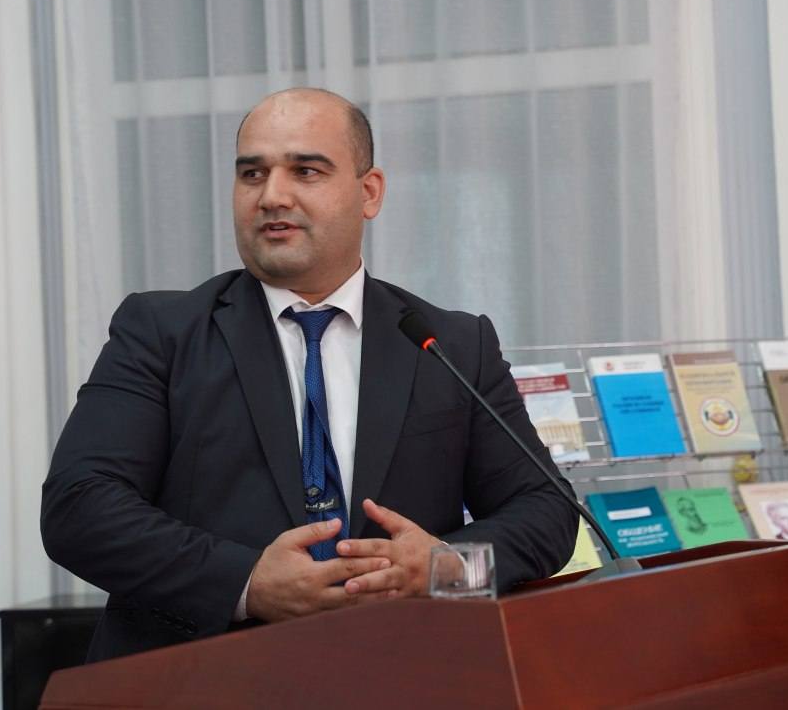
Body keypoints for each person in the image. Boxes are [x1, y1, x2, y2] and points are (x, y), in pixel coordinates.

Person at [41, 88, 578, 661]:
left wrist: (447, 568)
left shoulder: (450, 344)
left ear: (369, 192)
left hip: (402, 674)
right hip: (204, 678)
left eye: (306, 171)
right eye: (252, 174)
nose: (272, 195)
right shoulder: (161, 332)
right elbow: (80, 507)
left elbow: (547, 514)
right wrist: (246, 582)